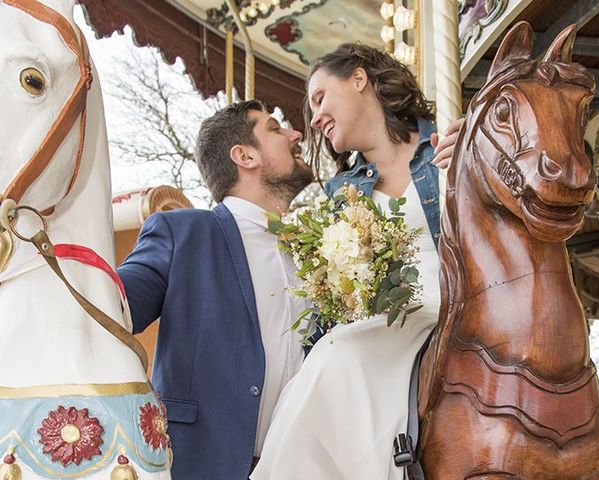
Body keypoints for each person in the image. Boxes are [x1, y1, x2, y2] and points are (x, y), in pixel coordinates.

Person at [252, 43, 463, 480]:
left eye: (319, 98)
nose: (313, 119)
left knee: (340, 353)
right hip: (393, 316)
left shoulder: (447, 145)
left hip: (457, 299)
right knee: (332, 353)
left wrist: (479, 153)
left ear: (359, 79)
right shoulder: (340, 193)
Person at [117, 100, 315, 479]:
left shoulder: (317, 249)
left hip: (300, 463)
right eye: (275, 128)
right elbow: (114, 310)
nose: (295, 135)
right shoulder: (182, 232)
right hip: (200, 463)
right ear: (245, 156)